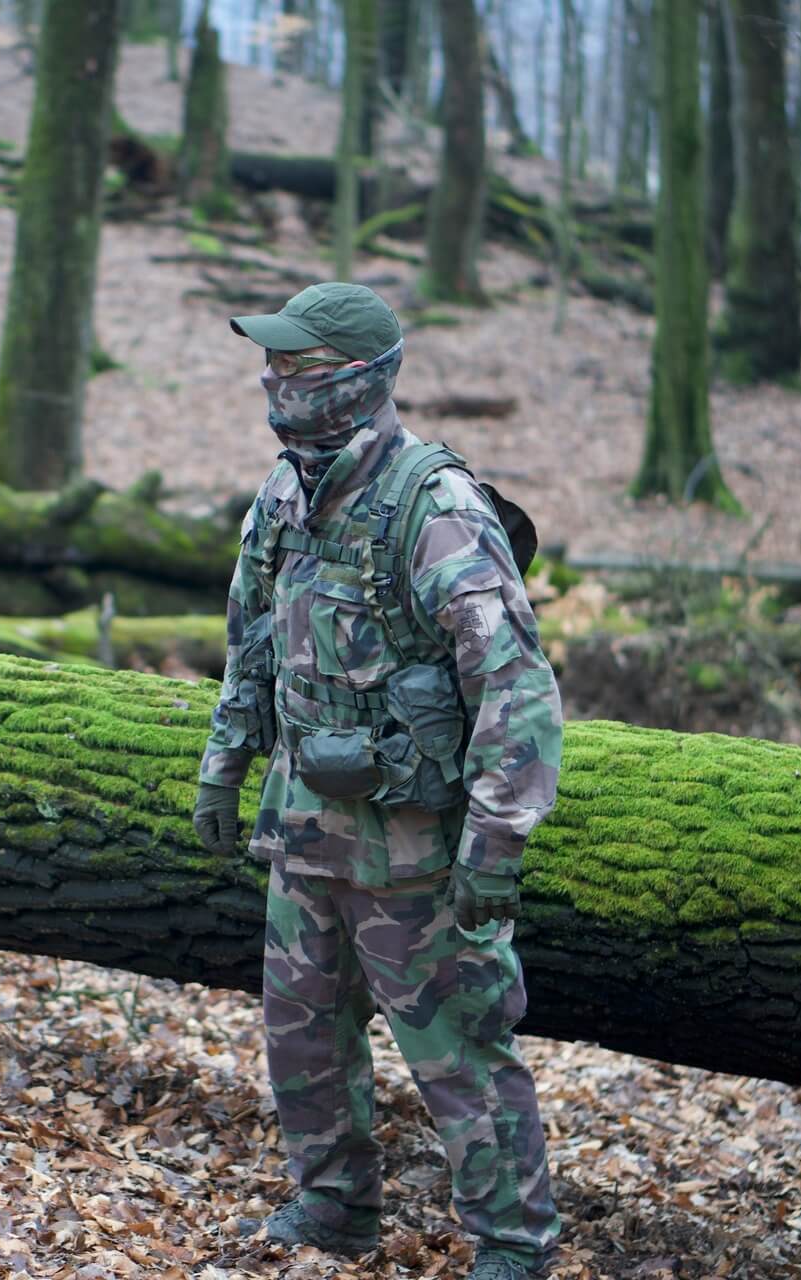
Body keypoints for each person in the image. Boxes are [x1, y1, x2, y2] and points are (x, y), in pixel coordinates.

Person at [191, 282, 563, 1280]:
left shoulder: (431, 505)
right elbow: (250, 645)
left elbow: (516, 690)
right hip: (302, 827)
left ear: (357, 381)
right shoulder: (282, 495)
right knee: (301, 1034)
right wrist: (224, 767)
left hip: (412, 848)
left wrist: (494, 846)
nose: (274, 379)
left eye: (296, 366)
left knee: (458, 1048)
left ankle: (513, 1239)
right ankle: (332, 1203)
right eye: (272, 362)